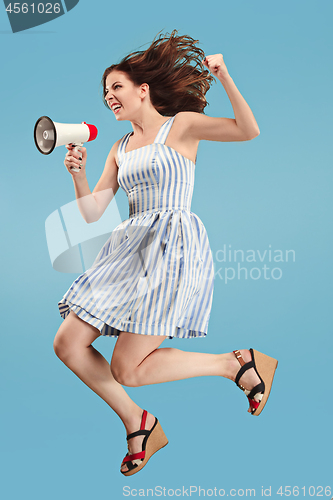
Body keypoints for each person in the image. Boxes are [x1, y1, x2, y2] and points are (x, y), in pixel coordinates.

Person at [53, 30, 278, 476]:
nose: (109, 97)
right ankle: (139, 421)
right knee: (68, 343)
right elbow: (92, 213)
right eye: (105, 92)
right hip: (127, 252)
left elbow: (247, 131)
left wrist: (226, 77)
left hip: (172, 247)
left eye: (116, 87)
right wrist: (78, 175)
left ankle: (233, 364)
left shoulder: (182, 126)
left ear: (143, 89)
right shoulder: (118, 149)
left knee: (128, 369)